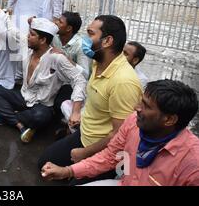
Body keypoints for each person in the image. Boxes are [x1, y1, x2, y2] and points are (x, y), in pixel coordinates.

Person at [37, 15, 143, 185]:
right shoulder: (98, 62)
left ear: (107, 41)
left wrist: (85, 153)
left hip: (105, 150)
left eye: (90, 34)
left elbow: (119, 136)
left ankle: (110, 175)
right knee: (44, 163)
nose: (85, 39)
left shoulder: (123, 81)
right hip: (84, 134)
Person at [41, 79, 199, 186]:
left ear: (169, 120)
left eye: (146, 106)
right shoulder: (133, 123)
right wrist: (67, 171)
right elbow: (110, 156)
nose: (137, 108)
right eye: (140, 101)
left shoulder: (192, 163)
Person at [0, 0, 87, 143]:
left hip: (42, 105)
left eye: (32, 35)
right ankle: (19, 124)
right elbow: (10, 28)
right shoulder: (27, 46)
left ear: (43, 40)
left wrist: (76, 111)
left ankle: (7, 115)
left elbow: (80, 79)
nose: (27, 36)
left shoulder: (56, 57)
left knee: (40, 117)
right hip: (23, 97)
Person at [52, 11, 92, 133]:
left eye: (60, 22)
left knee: (59, 103)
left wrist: (68, 59)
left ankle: (68, 128)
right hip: (55, 78)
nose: (56, 23)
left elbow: (85, 74)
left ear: (69, 28)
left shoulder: (80, 45)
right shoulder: (55, 37)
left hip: (72, 84)